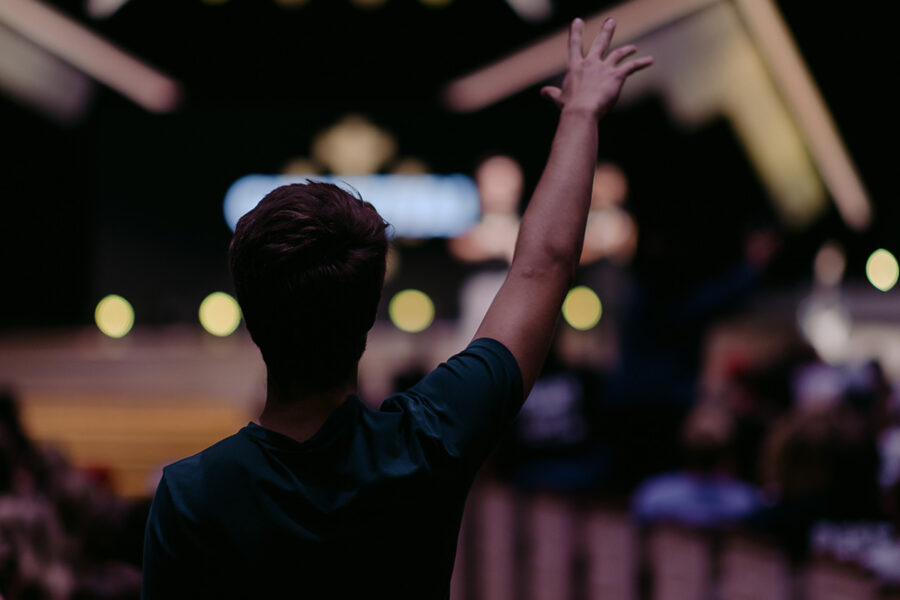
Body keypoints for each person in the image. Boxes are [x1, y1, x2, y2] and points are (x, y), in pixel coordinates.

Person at [141, 18, 651, 599]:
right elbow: (544, 266)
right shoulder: (431, 440)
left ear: (250, 315)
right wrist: (581, 115)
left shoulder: (190, 495)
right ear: (367, 316)